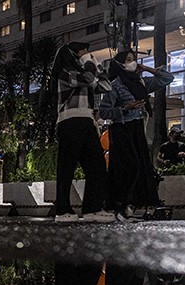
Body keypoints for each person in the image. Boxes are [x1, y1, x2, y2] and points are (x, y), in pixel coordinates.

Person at [99, 49, 174, 221]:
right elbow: (104, 112)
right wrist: (125, 108)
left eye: (133, 59)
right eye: (128, 60)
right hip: (121, 129)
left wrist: (147, 68)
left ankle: (129, 205)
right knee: (128, 165)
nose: (132, 63)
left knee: (140, 166)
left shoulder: (140, 82)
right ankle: (120, 204)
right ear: (120, 64)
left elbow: (167, 78)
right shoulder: (115, 85)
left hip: (137, 128)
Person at [52, 41, 115, 223]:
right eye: (81, 51)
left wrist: (96, 65)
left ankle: (92, 208)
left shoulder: (85, 72)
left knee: (96, 166)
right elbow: (87, 79)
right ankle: (63, 210)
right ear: (71, 55)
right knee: (66, 169)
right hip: (69, 121)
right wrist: (88, 63)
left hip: (87, 121)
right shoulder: (65, 73)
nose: (86, 53)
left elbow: (106, 86)